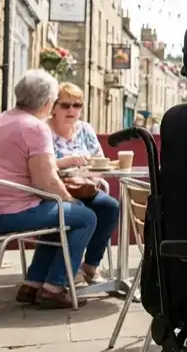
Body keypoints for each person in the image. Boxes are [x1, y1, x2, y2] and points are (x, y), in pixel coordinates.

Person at [0, 70, 96, 309]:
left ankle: (33, 284)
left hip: (6, 206)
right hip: (13, 212)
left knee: (60, 213)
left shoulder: (3, 119)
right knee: (84, 216)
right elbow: (46, 182)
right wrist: (69, 199)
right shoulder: (35, 128)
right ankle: (55, 288)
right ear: (46, 103)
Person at [47, 82, 120, 286]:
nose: (72, 110)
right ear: (53, 107)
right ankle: (71, 269)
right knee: (81, 214)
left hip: (85, 188)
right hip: (56, 190)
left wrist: (95, 177)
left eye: (77, 105)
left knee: (110, 207)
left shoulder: (85, 129)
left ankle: (90, 267)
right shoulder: (44, 130)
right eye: (65, 105)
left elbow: (100, 160)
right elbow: (41, 166)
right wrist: (67, 161)